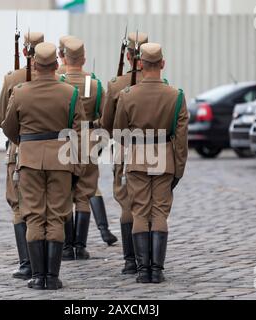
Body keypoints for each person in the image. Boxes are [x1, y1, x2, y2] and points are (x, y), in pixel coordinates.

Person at [2, 42, 86, 290]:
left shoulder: (20, 92)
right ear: (55, 64)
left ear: (35, 64)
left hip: (29, 160)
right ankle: (53, 276)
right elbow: (79, 132)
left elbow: (8, 127)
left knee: (34, 216)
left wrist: (27, 143)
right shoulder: (70, 93)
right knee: (57, 218)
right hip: (61, 160)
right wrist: (77, 167)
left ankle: (38, 276)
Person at [113, 43, 188, 284]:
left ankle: (143, 270)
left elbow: (119, 133)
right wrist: (178, 168)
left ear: (141, 64)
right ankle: (157, 270)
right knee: (159, 213)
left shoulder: (127, 94)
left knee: (139, 212)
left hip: (137, 159)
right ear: (163, 64)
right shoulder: (176, 96)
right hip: (164, 158)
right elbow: (181, 139)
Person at [59, 38, 118, 261]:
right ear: (83, 59)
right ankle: (79, 247)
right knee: (84, 195)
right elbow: (105, 116)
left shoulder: (58, 82)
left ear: (64, 58)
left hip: (63, 142)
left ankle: (66, 247)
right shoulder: (94, 84)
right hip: (89, 141)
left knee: (64, 194)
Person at [0, 32, 44, 280]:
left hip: (20, 148)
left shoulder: (12, 79)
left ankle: (27, 262)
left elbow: (1, 120)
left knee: (18, 205)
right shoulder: (58, 79)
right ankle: (45, 264)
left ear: (25, 52)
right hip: (54, 151)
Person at [100, 31, 148, 275]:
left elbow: (106, 123)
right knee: (150, 206)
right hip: (154, 151)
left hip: (125, 150)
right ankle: (148, 262)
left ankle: (131, 260)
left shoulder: (117, 85)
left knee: (128, 206)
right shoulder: (163, 85)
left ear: (129, 56)